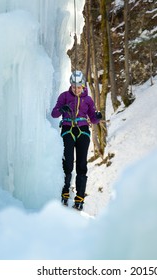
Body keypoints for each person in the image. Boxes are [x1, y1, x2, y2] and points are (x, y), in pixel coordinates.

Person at [51, 70, 102, 210]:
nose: (76, 90)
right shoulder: (64, 96)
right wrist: (62, 108)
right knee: (67, 162)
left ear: (83, 86)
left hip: (83, 131)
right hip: (68, 130)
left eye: (79, 87)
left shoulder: (88, 100)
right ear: (71, 85)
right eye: (74, 87)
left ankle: (80, 197)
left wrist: (98, 116)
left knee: (81, 164)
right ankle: (65, 191)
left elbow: (93, 119)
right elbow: (54, 113)